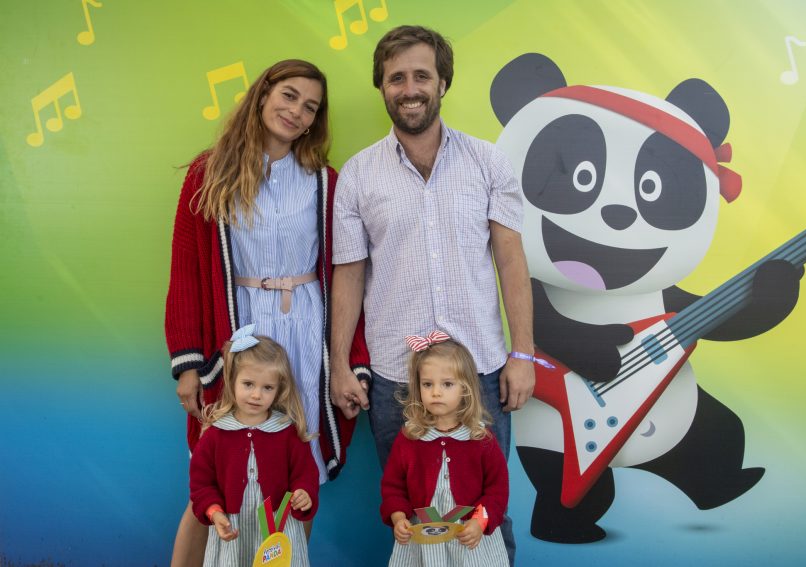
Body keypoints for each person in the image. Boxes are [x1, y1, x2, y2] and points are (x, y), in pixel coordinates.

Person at [330, 25, 533, 564]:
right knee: (410, 517)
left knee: (488, 517)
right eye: (396, 78)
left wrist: (523, 354)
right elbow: (348, 275)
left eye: (421, 75)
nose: (409, 88)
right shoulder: (357, 176)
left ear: (443, 82)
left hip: (480, 372)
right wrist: (339, 366)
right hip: (395, 378)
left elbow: (512, 262)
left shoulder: (488, 163)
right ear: (382, 87)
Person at [165, 59, 370, 566]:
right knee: (215, 478)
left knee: (298, 476)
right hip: (239, 331)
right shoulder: (208, 173)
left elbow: (348, 274)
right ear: (262, 95)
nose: (297, 111)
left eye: (311, 107)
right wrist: (188, 363)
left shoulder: (325, 181)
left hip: (305, 331)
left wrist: (349, 361)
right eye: (289, 96)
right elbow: (186, 272)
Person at [190, 326, 318, 566]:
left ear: (279, 389)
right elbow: (201, 484)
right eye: (248, 384)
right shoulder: (216, 434)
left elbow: (306, 473)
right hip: (233, 530)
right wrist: (214, 512)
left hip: (277, 532)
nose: (257, 395)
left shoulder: (286, 431)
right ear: (232, 381)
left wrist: (304, 492)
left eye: (267, 387)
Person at [381, 332, 509, 566]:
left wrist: (479, 522)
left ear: (465, 388)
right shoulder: (409, 437)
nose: (436, 392)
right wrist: (398, 518)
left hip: (470, 540)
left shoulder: (481, 439)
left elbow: (497, 491)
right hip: (422, 542)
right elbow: (393, 487)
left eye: (447, 384)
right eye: (427, 384)